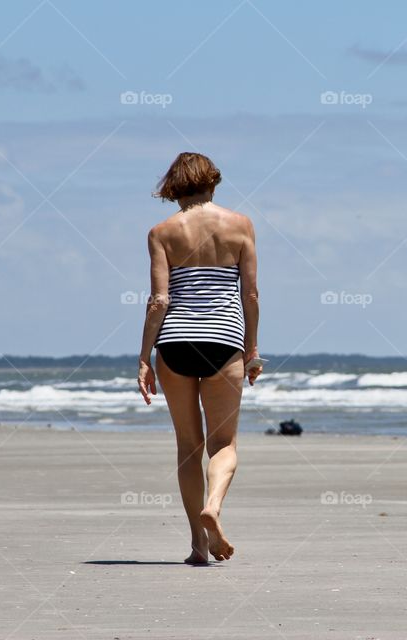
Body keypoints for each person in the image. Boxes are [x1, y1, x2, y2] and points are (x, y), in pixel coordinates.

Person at [137, 152, 262, 564]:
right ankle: (214, 506)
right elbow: (251, 295)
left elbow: (159, 300)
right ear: (213, 182)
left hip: (173, 345)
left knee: (188, 447)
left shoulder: (161, 232)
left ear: (173, 188)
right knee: (223, 443)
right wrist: (253, 349)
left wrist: (143, 358)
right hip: (224, 343)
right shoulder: (240, 225)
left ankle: (197, 544)